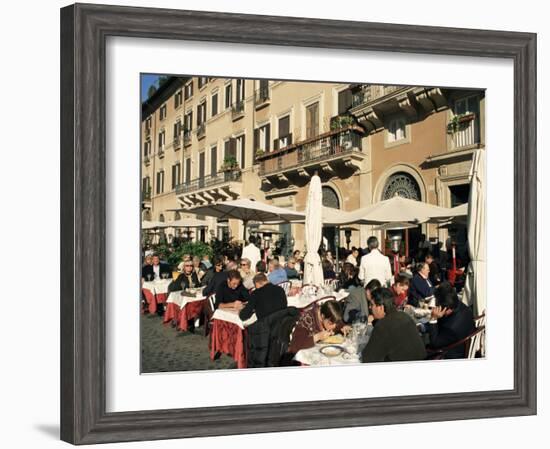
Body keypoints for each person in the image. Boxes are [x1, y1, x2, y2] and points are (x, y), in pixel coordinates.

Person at [361, 288, 427, 363]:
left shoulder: (383, 325)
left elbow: (368, 358)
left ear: (381, 307)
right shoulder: (404, 315)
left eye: (372, 305)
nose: (370, 307)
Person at [426, 282, 475, 359]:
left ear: (447, 309)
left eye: (437, 305)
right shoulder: (460, 305)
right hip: (461, 340)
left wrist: (433, 319)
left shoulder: (450, 328)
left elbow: (434, 343)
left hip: (451, 353)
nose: (435, 306)